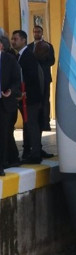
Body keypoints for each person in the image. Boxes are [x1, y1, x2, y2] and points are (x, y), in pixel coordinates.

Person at [11, 30, 44, 164]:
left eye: (16, 39)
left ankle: (35, 154)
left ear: (24, 40)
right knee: (28, 125)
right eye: (12, 39)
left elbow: (31, 77)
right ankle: (29, 151)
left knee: (32, 125)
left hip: (31, 98)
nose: (13, 41)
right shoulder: (18, 56)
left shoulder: (28, 56)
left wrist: (25, 93)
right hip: (23, 97)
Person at [0, 35, 22, 175]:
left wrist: (11, 91)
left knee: (3, 134)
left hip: (4, 102)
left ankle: (1, 164)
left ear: (1, 45)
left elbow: (16, 80)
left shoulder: (9, 60)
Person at [27, 25, 55, 135]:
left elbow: (52, 61)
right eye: (35, 32)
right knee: (35, 101)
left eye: (38, 31)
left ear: (42, 33)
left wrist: (41, 62)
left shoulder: (48, 46)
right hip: (33, 80)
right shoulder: (29, 47)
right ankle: (36, 120)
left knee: (45, 100)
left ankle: (45, 122)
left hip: (45, 78)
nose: (36, 33)